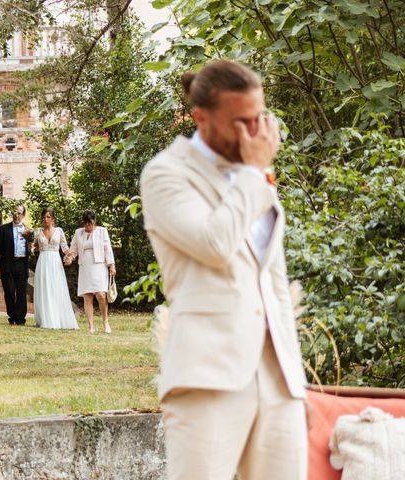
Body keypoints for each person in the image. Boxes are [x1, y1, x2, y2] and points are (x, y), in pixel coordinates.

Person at [140, 59, 308, 480]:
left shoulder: (252, 176)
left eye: (258, 118)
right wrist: (256, 174)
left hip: (278, 379)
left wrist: (294, 373)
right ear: (200, 117)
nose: (254, 133)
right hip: (208, 377)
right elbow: (215, 244)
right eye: (240, 122)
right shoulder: (166, 173)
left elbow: (270, 275)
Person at [65, 209, 116, 334]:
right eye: (86, 223)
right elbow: (73, 250)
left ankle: (105, 322)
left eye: (90, 223)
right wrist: (69, 258)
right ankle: (91, 326)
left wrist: (112, 265)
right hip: (85, 267)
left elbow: (107, 249)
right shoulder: (78, 233)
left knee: (101, 295)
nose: (88, 226)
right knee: (87, 297)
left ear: (94, 221)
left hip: (99, 266)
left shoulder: (102, 231)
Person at [32, 207, 79, 330]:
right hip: (43, 261)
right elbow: (34, 248)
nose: (45, 219)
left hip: (55, 262)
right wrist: (30, 246)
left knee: (56, 288)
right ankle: (45, 318)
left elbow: (64, 247)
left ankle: (58, 318)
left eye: (48, 217)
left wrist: (69, 256)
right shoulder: (38, 232)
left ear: (53, 218)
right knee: (44, 289)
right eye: (44, 217)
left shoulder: (59, 231)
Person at [0, 205, 31, 326]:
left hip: (22, 263)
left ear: (23, 215)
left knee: (21, 292)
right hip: (7, 263)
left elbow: (31, 249)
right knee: (9, 291)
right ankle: (12, 317)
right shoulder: (3, 229)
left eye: (19, 213)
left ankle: (20, 319)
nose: (16, 215)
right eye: (14, 213)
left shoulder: (28, 230)